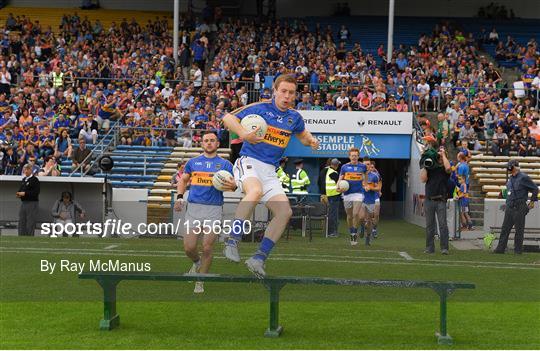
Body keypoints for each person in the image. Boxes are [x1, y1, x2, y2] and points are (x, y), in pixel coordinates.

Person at [222, 74, 319, 277]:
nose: (287, 96)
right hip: (249, 161)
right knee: (254, 191)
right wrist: (242, 133)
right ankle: (232, 240)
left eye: (291, 92)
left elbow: (302, 136)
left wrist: (311, 140)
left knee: (285, 213)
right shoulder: (260, 107)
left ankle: (258, 258)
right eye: (283, 91)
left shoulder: (294, 118)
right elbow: (228, 118)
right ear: (275, 91)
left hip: (270, 171)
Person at [173, 132, 236, 292]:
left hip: (213, 209)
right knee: (189, 247)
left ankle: (200, 281)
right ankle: (196, 263)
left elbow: (234, 185)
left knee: (207, 247)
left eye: (212, 140)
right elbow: (183, 180)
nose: (209, 143)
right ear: (201, 144)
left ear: (217, 144)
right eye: (206, 141)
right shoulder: (193, 162)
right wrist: (180, 197)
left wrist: (231, 186)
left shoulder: (225, 165)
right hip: (194, 208)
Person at [494, 160, 538, 254]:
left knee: (519, 230)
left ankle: (518, 250)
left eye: (508, 167)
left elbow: (535, 189)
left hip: (520, 206)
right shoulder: (510, 179)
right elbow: (509, 192)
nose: (507, 168)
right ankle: (500, 249)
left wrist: (532, 201)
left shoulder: (524, 177)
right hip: (510, 206)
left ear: (513, 167)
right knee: (505, 229)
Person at [420, 135, 452, 255]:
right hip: (429, 200)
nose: (437, 157)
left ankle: (444, 248)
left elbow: (448, 168)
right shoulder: (430, 167)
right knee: (429, 226)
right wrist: (425, 160)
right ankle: (429, 248)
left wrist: (443, 155)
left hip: (440, 200)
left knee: (443, 225)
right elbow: (423, 179)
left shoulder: (444, 169)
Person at [338, 148, 367, 246]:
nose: (354, 157)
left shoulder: (363, 166)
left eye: (356, 155)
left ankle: (354, 233)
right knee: (349, 216)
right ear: (349, 156)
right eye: (352, 155)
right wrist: (338, 186)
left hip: (358, 193)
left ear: (358, 156)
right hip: (347, 194)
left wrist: (365, 184)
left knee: (355, 214)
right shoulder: (344, 167)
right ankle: (351, 231)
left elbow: (365, 175)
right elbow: (340, 178)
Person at [319, 158, 341, 237]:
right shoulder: (333, 172)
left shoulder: (327, 171)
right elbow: (341, 184)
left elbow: (319, 182)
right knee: (333, 214)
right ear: (337, 165)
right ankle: (332, 232)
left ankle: (328, 231)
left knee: (329, 214)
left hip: (327, 195)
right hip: (333, 196)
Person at [16, 164, 40, 236]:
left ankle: (29, 237)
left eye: (27, 169)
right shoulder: (24, 179)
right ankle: (21, 236)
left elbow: (36, 192)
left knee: (30, 221)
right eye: (25, 169)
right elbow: (20, 190)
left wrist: (25, 193)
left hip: (32, 203)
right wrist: (18, 194)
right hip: (24, 203)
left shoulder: (35, 180)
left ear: (31, 170)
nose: (25, 171)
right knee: (22, 221)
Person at [362, 163, 382, 246]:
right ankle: (363, 227)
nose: (370, 168)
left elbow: (379, 187)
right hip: (362, 199)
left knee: (375, 215)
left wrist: (373, 189)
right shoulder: (360, 175)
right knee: (362, 218)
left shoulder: (376, 176)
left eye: (372, 167)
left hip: (374, 198)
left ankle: (373, 230)